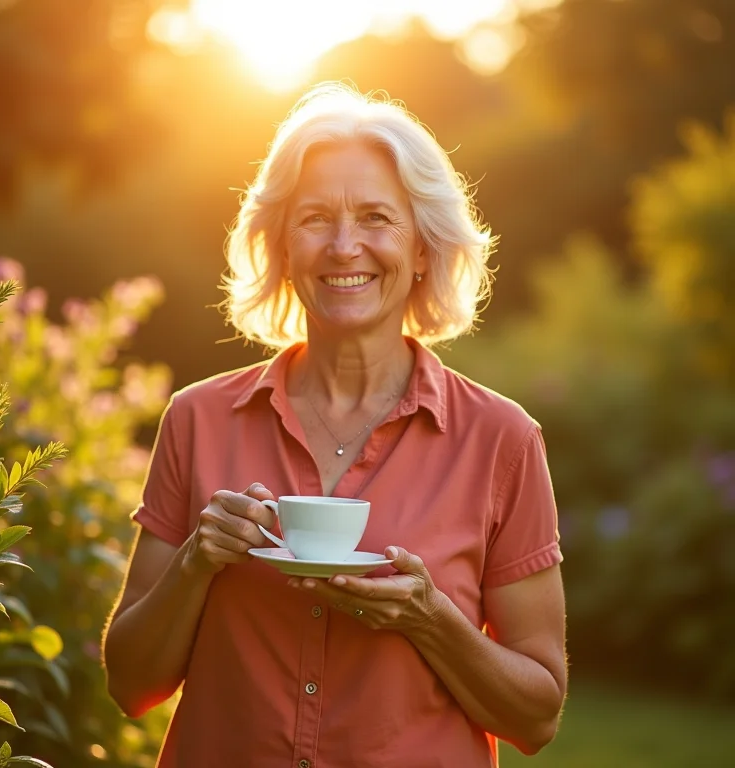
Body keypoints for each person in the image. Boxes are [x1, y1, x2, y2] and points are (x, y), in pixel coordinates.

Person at [102, 82, 567, 768]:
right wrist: (197, 562)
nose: (345, 245)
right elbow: (130, 683)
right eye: (315, 218)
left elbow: (538, 716)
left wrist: (429, 620)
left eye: (377, 218)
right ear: (283, 249)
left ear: (421, 251)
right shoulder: (197, 419)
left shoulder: (502, 440)